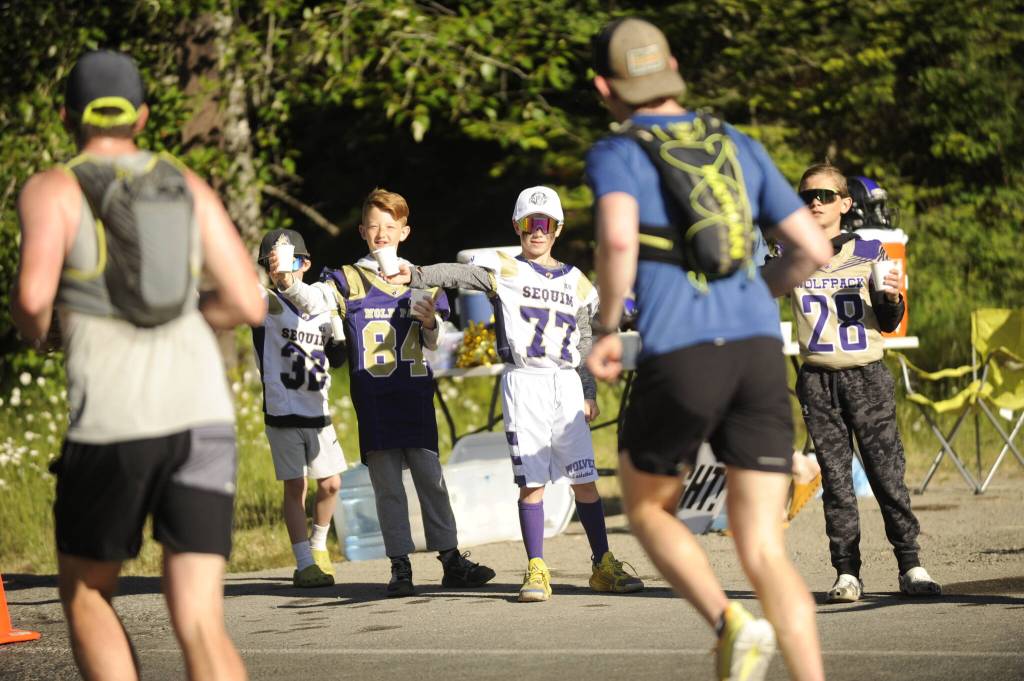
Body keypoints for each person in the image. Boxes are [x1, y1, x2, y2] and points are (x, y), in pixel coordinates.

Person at [584, 19, 832, 681]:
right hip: (756, 350)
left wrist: (607, 329)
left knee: (645, 507)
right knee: (763, 545)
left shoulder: (619, 151)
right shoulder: (739, 142)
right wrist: (756, 289)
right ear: (671, 69)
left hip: (682, 352)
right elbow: (813, 248)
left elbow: (615, 242)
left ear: (605, 87)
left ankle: (730, 623)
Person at [11, 50, 263, 681]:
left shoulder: (53, 187)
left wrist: (40, 336)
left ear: (67, 115)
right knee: (202, 619)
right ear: (142, 116)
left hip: (114, 422)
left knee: (90, 591)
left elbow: (33, 299)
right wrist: (187, 313)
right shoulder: (186, 182)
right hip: (203, 417)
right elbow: (248, 302)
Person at [389, 186, 644, 603]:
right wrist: (416, 274)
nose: (536, 232)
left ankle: (603, 564)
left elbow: (583, 341)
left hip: (564, 383)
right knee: (533, 483)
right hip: (525, 382)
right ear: (517, 227)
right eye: (528, 224)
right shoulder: (505, 268)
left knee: (585, 480)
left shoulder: (577, 282)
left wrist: (588, 388)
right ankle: (537, 568)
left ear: (557, 229)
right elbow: (459, 274)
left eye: (544, 224)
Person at [269, 188, 495, 597]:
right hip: (375, 399)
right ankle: (400, 565)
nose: (381, 235)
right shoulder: (347, 279)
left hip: (413, 395)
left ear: (404, 232)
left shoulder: (419, 278)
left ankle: (450, 558)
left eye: (389, 227)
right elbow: (312, 302)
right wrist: (286, 282)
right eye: (373, 227)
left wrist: (429, 324)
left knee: (432, 481)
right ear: (361, 231)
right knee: (388, 487)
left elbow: (433, 344)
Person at [792, 163, 941, 603]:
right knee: (836, 482)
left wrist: (894, 298)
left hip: (867, 375)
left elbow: (890, 321)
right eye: (805, 196)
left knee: (886, 474)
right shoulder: (789, 255)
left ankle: (910, 563)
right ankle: (846, 572)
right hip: (819, 379)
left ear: (845, 203)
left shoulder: (870, 250)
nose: (814, 202)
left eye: (822, 194)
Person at [253, 228, 347, 588]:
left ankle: (319, 544)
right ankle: (304, 562)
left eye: (289, 261)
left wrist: (337, 333)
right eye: (272, 262)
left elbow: (337, 354)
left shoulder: (320, 297)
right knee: (296, 486)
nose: (280, 269)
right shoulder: (265, 302)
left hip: (317, 407)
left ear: (305, 263)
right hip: (282, 409)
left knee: (332, 484)